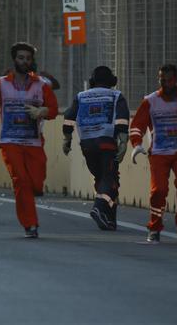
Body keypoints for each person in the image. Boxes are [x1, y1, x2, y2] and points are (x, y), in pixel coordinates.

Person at [0, 42, 59, 238]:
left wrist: (42, 111)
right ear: (14, 59)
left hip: (33, 141)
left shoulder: (41, 85)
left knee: (36, 180)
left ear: (32, 61)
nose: (24, 61)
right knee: (21, 181)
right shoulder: (2, 84)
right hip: (10, 141)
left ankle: (35, 189)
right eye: (21, 58)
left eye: (28, 58)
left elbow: (54, 109)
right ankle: (30, 224)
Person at [130, 64, 177, 243]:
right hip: (159, 152)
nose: (165, 83)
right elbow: (137, 125)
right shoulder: (151, 100)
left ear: (176, 80)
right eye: (161, 79)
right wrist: (137, 144)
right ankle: (154, 227)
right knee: (159, 190)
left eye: (168, 79)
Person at [62, 66, 130, 230]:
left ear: (92, 80)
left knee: (102, 178)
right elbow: (122, 118)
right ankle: (99, 207)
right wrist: (123, 141)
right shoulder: (116, 95)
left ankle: (109, 219)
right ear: (112, 81)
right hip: (106, 142)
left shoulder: (81, 96)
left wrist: (67, 139)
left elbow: (69, 117)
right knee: (110, 179)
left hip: (87, 145)